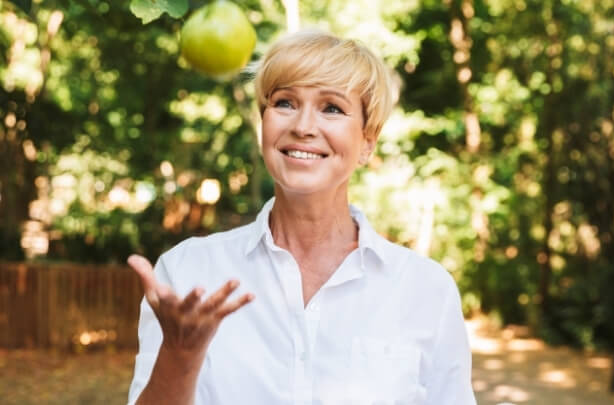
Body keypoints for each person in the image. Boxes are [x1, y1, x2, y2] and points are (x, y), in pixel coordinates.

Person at [127, 30, 474, 405]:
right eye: (285, 103)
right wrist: (180, 356)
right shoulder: (187, 271)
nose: (303, 126)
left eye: (332, 108)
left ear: (368, 142)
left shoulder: (425, 290)